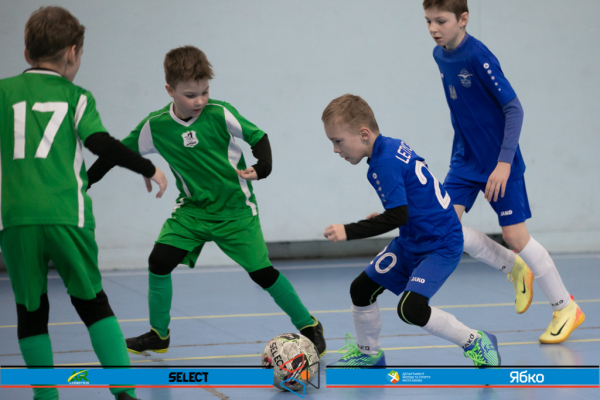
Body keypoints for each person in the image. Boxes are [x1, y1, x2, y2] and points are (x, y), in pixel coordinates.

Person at [86, 45, 326, 357]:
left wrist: (263, 167)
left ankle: (309, 325)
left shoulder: (219, 113)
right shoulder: (155, 126)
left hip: (235, 211)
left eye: (205, 92)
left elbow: (258, 137)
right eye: (190, 95)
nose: (199, 101)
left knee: (262, 273)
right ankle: (159, 335)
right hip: (193, 211)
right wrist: (85, 182)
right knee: (159, 262)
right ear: (170, 90)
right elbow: (115, 153)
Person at [0, 7, 168, 400]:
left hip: (16, 219)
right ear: (73, 53)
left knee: (30, 310)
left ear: (26, 53)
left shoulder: (4, 92)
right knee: (93, 303)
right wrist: (147, 166)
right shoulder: (76, 97)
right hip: (67, 215)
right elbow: (99, 143)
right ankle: (124, 392)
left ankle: (46, 395)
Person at [423, 0, 584, 343]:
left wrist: (503, 162)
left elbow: (513, 107)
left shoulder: (478, 56)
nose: (434, 28)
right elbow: (462, 110)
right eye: (428, 21)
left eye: (441, 21)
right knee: (445, 226)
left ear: (463, 19)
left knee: (515, 237)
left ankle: (565, 308)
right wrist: (460, 155)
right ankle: (515, 268)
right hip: (465, 162)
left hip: (499, 161)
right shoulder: (439, 55)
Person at [322, 94, 500, 367]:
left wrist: (349, 231)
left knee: (411, 309)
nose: (335, 149)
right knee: (361, 289)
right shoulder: (392, 146)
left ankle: (476, 341)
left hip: (440, 244)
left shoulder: (382, 164)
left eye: (338, 141)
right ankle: (369, 354)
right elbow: (412, 197)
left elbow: (398, 215)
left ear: (364, 134)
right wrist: (387, 216)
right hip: (413, 238)